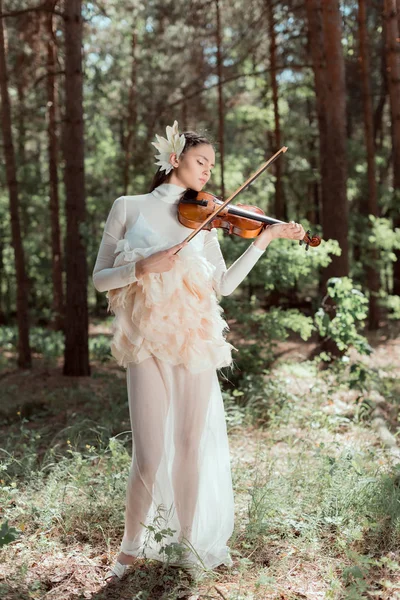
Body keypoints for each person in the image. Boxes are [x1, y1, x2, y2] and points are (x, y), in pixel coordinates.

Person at [92, 121, 305, 582]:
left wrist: (264, 239)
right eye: (200, 161)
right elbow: (100, 278)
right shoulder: (128, 207)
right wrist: (142, 266)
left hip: (193, 339)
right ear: (174, 159)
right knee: (148, 454)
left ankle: (185, 541)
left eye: (211, 164)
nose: (208, 171)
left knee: (188, 445)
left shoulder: (208, 218)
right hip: (145, 340)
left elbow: (223, 285)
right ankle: (129, 550)